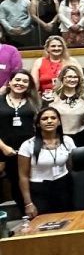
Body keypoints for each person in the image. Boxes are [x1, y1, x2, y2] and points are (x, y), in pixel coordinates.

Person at [18, 107, 76, 218]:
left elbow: (73, 166)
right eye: (44, 118)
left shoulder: (67, 141)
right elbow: (23, 177)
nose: (49, 121)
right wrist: (28, 203)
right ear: (38, 124)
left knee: (67, 221)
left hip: (63, 186)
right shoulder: (28, 145)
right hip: (39, 190)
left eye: (53, 118)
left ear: (59, 122)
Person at [1, 70, 39, 211]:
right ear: (9, 82)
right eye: (17, 80)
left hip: (31, 150)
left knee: (32, 181)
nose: (20, 83)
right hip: (6, 151)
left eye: (25, 81)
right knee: (16, 183)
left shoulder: (35, 102)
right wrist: (3, 147)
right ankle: (25, 213)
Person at [48, 65, 84, 147]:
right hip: (58, 138)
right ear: (62, 78)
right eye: (69, 77)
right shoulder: (51, 97)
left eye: (75, 77)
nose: (72, 80)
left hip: (81, 138)